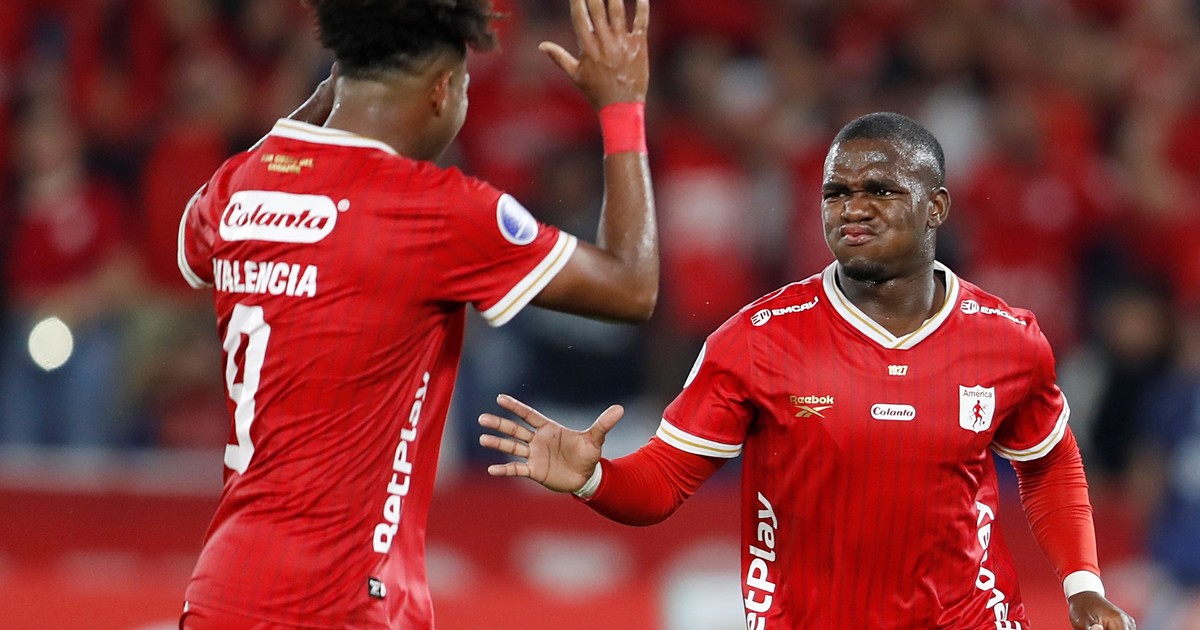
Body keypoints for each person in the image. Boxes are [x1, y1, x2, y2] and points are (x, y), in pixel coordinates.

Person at [480, 112, 1137, 629]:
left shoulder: (1008, 339)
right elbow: (665, 481)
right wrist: (595, 476)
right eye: (837, 193)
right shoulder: (758, 339)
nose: (854, 207)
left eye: (880, 190)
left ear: (936, 206)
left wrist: (1082, 584)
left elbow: (1049, 462)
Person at [175, 0, 654, 627]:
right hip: (338, 600)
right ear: (441, 92)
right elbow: (630, 284)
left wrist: (324, 103)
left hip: (223, 589)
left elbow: (192, 244)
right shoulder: (436, 210)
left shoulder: (239, 187)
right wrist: (622, 107)